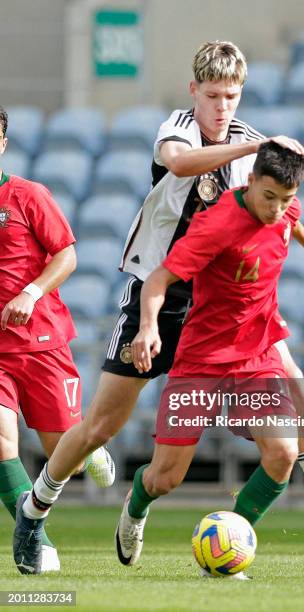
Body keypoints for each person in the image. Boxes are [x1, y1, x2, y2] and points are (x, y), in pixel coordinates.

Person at [13, 42, 304, 574]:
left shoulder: (250, 147)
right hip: (159, 292)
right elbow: (180, 163)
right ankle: (34, 512)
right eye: (212, 95)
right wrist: (246, 151)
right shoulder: (182, 129)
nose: (222, 107)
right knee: (99, 426)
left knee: (290, 372)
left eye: (232, 97)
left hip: (219, 303)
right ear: (195, 92)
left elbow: (274, 197)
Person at [112, 142, 304, 577]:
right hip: (201, 360)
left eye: (288, 199)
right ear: (252, 181)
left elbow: (289, 220)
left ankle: (224, 555)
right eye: (270, 198)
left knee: (281, 453)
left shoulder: (283, 210)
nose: (278, 209)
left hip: (256, 357)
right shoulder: (216, 224)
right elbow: (160, 279)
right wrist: (148, 328)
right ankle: (136, 504)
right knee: (166, 477)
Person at [0, 105, 115, 574]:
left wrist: (30, 291)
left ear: (2, 142)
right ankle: (37, 543)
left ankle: (88, 447)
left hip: (41, 342)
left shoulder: (27, 195)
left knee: (61, 450)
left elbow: (66, 254)